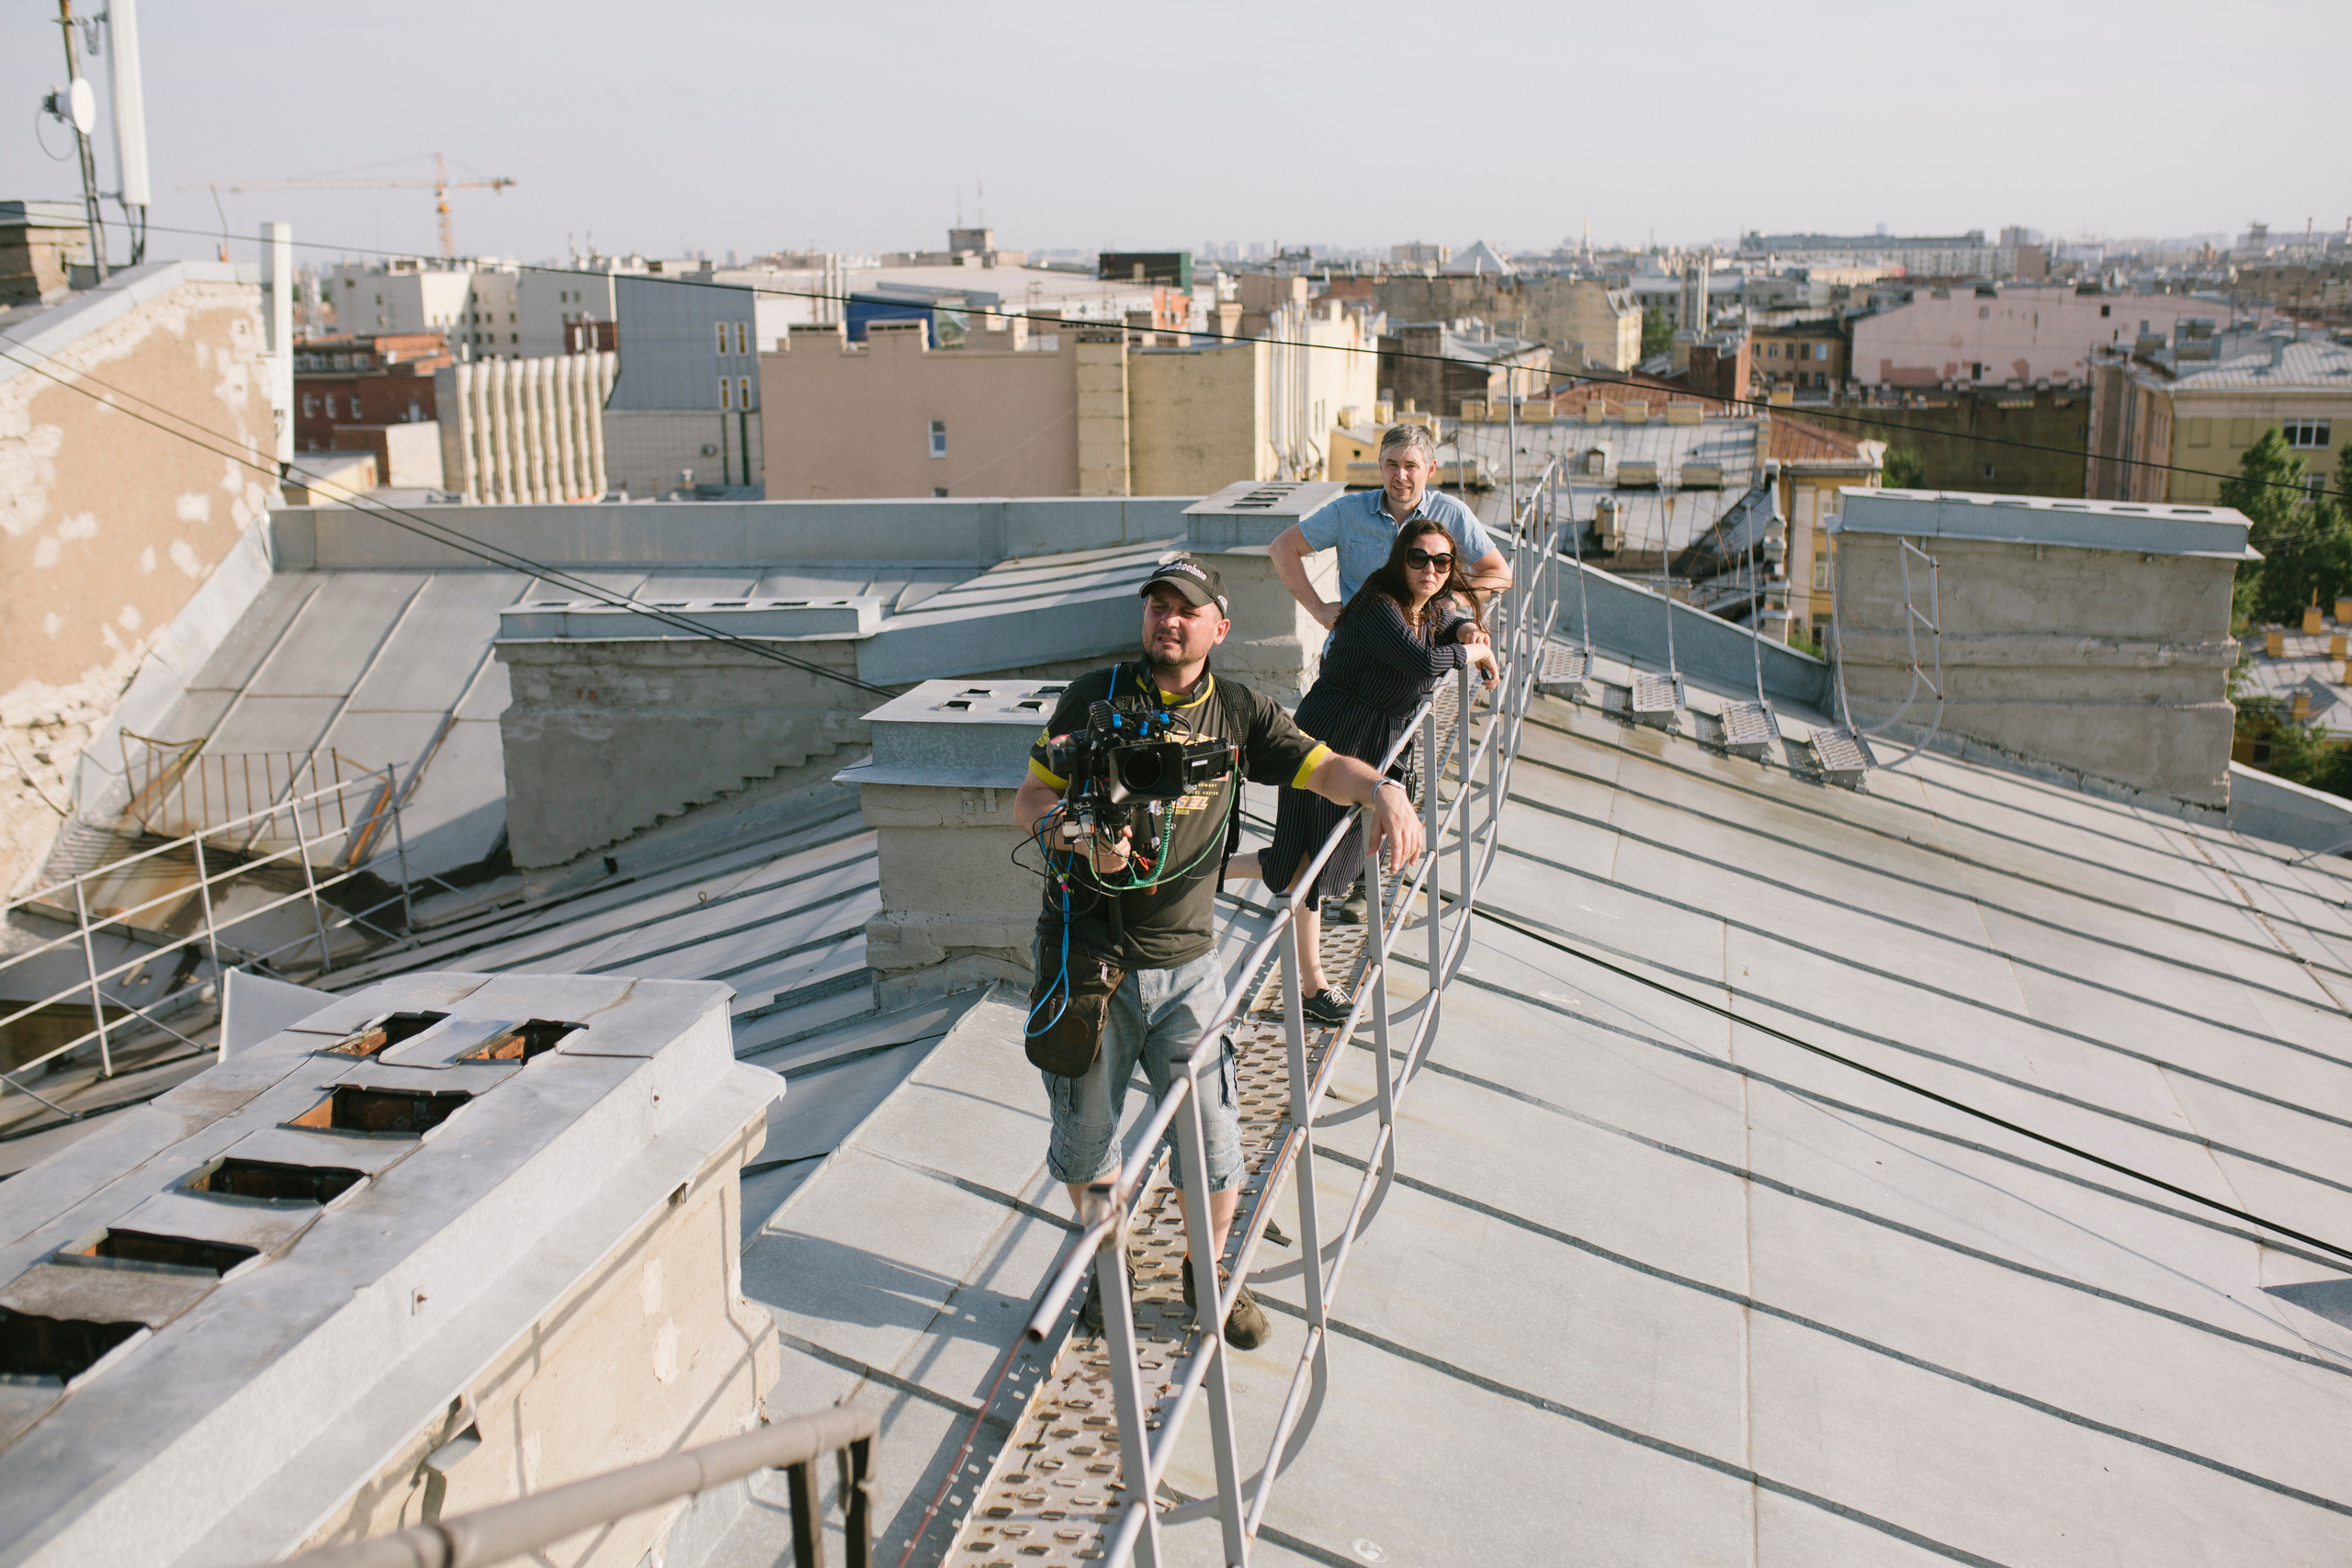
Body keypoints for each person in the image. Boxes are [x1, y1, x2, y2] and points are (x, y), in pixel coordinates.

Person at [1012, 554, 1425, 1349]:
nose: (1169, 619)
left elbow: (1322, 766)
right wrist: (1074, 835)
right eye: (1158, 606)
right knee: (1086, 1136)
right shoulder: (1093, 697)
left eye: (1187, 609)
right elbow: (1031, 794)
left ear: (1219, 628)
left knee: (1214, 1139)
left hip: (1190, 965)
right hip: (1085, 956)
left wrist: (1386, 789)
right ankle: (1110, 1272)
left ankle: (1210, 1275)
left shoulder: (1237, 713)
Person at [1229, 520, 1498, 1021]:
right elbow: (1421, 662)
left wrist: (1463, 628)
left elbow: (1443, 625)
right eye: (1419, 558)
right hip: (1330, 737)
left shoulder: (1428, 605)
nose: (1431, 570)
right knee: (1311, 862)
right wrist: (1475, 650)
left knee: (1313, 852)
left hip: (1371, 741)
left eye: (1442, 562)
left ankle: (1205, 874)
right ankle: (1312, 986)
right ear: (1400, 558)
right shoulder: (1377, 605)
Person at [1268, 421, 1514, 923]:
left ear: (1430, 469)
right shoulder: (1350, 511)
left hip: (1406, 668)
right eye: (1392, 465)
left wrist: (1452, 613)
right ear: (1380, 467)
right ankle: (1315, 879)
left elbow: (1499, 572)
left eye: (1411, 466)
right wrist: (1318, 610)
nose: (1401, 476)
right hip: (1356, 665)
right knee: (1342, 774)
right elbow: (1282, 548)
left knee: (1389, 767)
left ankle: (1355, 881)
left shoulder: (1449, 514)